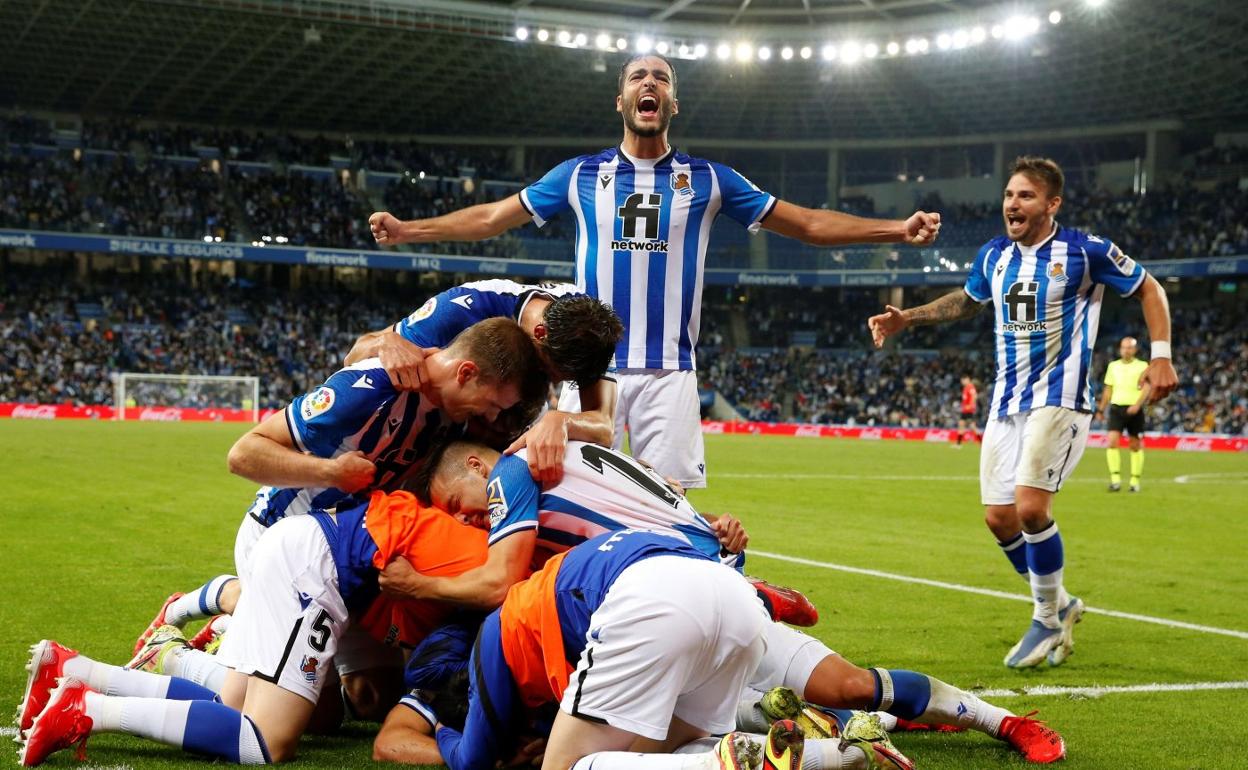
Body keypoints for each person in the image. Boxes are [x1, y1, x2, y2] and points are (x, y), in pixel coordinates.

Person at [367, 53, 941, 491]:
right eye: (638, 77)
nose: (650, 83)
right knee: (568, 497)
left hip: (670, 374)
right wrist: (410, 230)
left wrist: (897, 229)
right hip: (587, 370)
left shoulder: (710, 180)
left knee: (669, 509)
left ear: (673, 104)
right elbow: (494, 217)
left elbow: (808, 223)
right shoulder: (580, 175)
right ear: (620, 101)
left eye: (662, 78)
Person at [131, 318, 548, 715]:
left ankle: (238, 623)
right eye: (492, 403)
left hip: (352, 552)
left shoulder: (451, 417)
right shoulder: (371, 386)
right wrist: (331, 472)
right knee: (277, 708)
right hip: (283, 539)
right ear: (466, 373)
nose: (491, 417)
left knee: (373, 698)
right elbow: (243, 454)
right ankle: (179, 645)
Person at [867, 156, 1178, 669]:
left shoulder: (1085, 251)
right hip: (1007, 399)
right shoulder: (994, 255)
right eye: (1009, 195)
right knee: (1000, 518)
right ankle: (1063, 602)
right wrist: (910, 318)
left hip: (1061, 396)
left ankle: (1046, 618)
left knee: (1032, 508)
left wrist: (1161, 355)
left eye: (1026, 195)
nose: (1013, 203)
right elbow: (969, 301)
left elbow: (1149, 287)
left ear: (1052, 203)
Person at [17, 490, 487, 766]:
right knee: (265, 741)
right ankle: (87, 709)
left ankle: (76, 670)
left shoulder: (463, 549)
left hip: (307, 552)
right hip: (317, 569)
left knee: (237, 705)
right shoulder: (482, 560)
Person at [377, 438, 817, 626]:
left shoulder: (509, 473)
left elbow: (497, 585)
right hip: (708, 549)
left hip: (679, 576)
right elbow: (657, 497)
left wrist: (418, 585)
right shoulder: (568, 447)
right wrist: (717, 525)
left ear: (476, 467)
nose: (462, 520)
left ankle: (753, 596)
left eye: (456, 503)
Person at [345, 279, 624, 485]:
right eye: (546, 370)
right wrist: (384, 342)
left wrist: (562, 421)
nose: (550, 382)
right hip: (426, 443)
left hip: (501, 444)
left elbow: (603, 426)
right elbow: (354, 355)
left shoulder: (589, 332)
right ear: (540, 333)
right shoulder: (464, 308)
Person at [1095, 336, 1151, 492]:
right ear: (1120, 349)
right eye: (1124, 347)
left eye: (1129, 347)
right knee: (1112, 442)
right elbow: (1108, 389)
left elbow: (1147, 387)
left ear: (1135, 350)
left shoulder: (1143, 366)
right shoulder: (1113, 366)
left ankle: (1134, 481)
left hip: (1135, 409)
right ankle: (1115, 481)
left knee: (1135, 445)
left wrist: (1137, 405)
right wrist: (1101, 409)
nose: (1126, 350)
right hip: (1116, 408)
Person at [956, 374, 978, 446]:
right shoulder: (965, 388)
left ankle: (981, 441)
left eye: (963, 381)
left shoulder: (970, 387)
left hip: (968, 410)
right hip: (965, 410)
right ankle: (958, 444)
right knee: (961, 424)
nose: (962, 382)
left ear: (967, 379)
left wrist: (970, 406)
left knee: (972, 427)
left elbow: (974, 396)